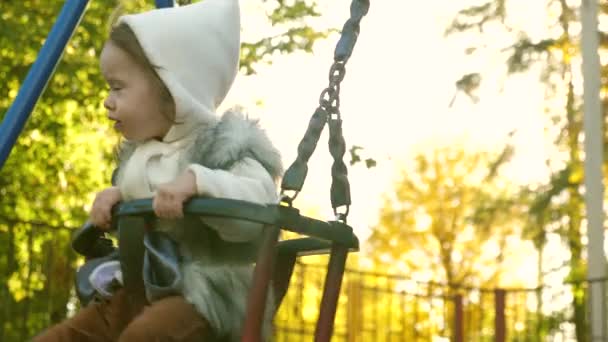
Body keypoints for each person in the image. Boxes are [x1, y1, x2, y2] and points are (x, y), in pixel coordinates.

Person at [34, 0, 282, 341]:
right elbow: (145, 205)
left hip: (206, 298)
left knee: (145, 337)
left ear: (171, 88)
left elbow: (259, 203)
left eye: (118, 87)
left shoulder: (226, 147)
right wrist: (117, 199)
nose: (107, 100)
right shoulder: (142, 157)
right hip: (139, 287)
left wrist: (200, 182)